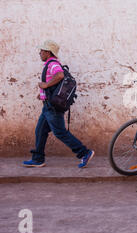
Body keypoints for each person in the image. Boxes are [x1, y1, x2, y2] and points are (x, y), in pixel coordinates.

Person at [23, 40, 95, 168]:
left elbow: (60, 75)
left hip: (52, 108)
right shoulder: (49, 64)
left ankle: (85, 153)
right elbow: (54, 82)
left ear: (47, 52)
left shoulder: (53, 64)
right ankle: (38, 159)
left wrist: (45, 85)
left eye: (41, 51)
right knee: (40, 131)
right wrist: (43, 94)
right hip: (47, 106)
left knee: (60, 133)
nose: (39, 53)